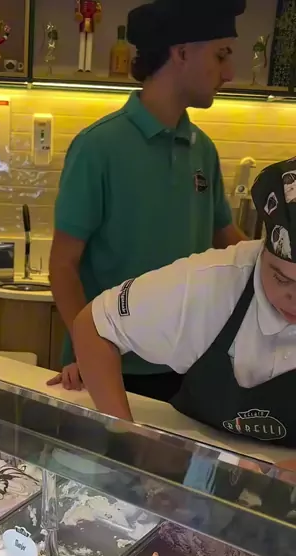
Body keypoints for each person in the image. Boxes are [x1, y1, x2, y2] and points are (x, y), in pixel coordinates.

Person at [48, 0, 246, 397]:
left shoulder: (202, 149)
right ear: (182, 53)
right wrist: (86, 349)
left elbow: (228, 240)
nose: (229, 72)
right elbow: (63, 266)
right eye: (221, 55)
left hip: (189, 365)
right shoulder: (98, 147)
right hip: (111, 364)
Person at [72, 157, 296, 453]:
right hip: (201, 463)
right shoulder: (210, 283)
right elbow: (94, 325)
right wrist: (125, 435)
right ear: (263, 249)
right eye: (282, 278)